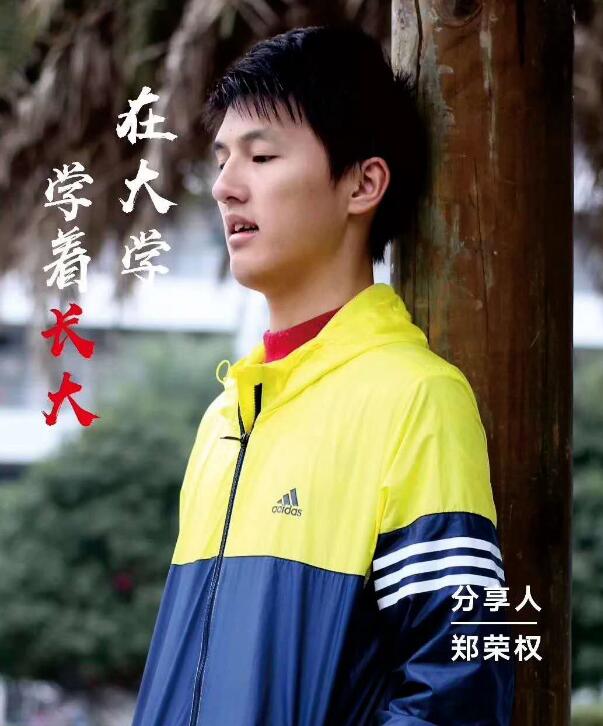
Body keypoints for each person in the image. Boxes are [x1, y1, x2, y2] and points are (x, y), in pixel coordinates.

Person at [132, 23, 515, 725]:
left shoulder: (418, 398)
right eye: (222, 160)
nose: (224, 187)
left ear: (363, 184)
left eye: (261, 156)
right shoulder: (224, 418)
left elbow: (461, 684)